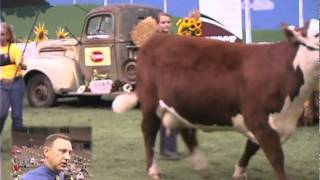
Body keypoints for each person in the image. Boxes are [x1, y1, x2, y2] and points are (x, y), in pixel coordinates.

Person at [155, 12, 180, 160]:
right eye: (163, 22)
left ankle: (168, 148)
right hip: (162, 83)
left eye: (168, 22)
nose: (166, 25)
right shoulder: (155, 41)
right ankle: (168, 149)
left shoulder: (174, 39)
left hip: (173, 81)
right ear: (157, 24)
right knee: (169, 115)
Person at [0, 22, 26, 134]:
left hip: (16, 84)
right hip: (2, 86)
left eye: (2, 34)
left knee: (17, 115)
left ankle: (17, 142)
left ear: (9, 36)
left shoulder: (14, 49)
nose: (0, 37)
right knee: (1, 113)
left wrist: (21, 64)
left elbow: (23, 65)